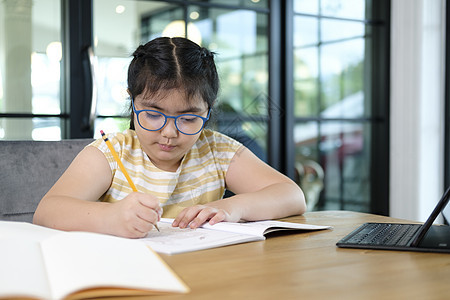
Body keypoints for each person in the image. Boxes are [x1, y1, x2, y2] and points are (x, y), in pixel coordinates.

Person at [33, 37, 306, 238]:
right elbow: (47, 212)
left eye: (188, 118)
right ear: (133, 101)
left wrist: (232, 207)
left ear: (208, 111)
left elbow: (292, 195)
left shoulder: (216, 151)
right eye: (153, 115)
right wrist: (111, 218)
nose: (169, 133)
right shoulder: (112, 154)